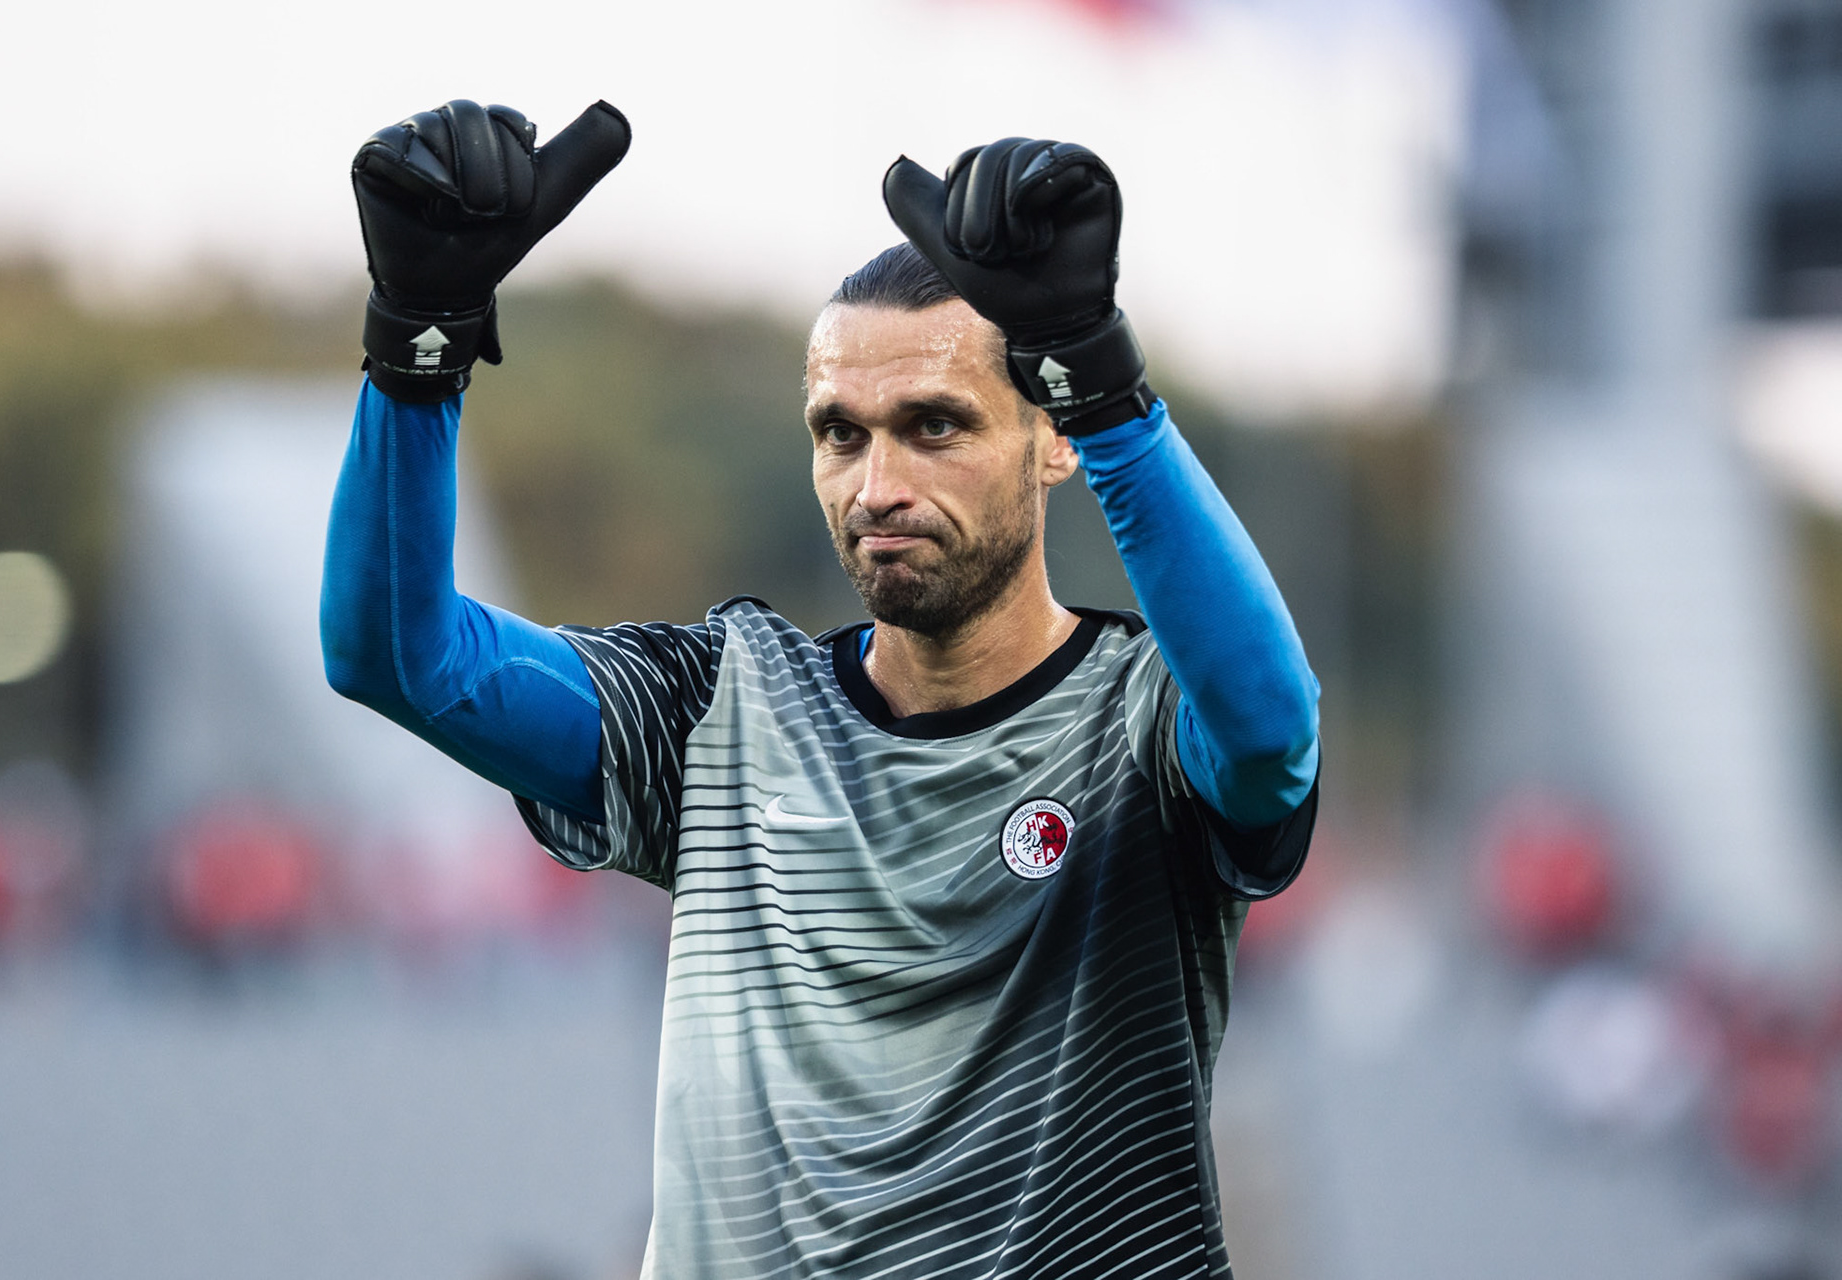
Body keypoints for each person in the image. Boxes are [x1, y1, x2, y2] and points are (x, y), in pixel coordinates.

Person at [323, 98, 1320, 1280]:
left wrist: (1107, 386)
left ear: (1055, 439)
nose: (876, 485)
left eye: (935, 425)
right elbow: (398, 654)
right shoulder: (718, 712)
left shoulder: (1143, 727)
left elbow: (1270, 730)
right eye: (841, 433)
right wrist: (417, 346)